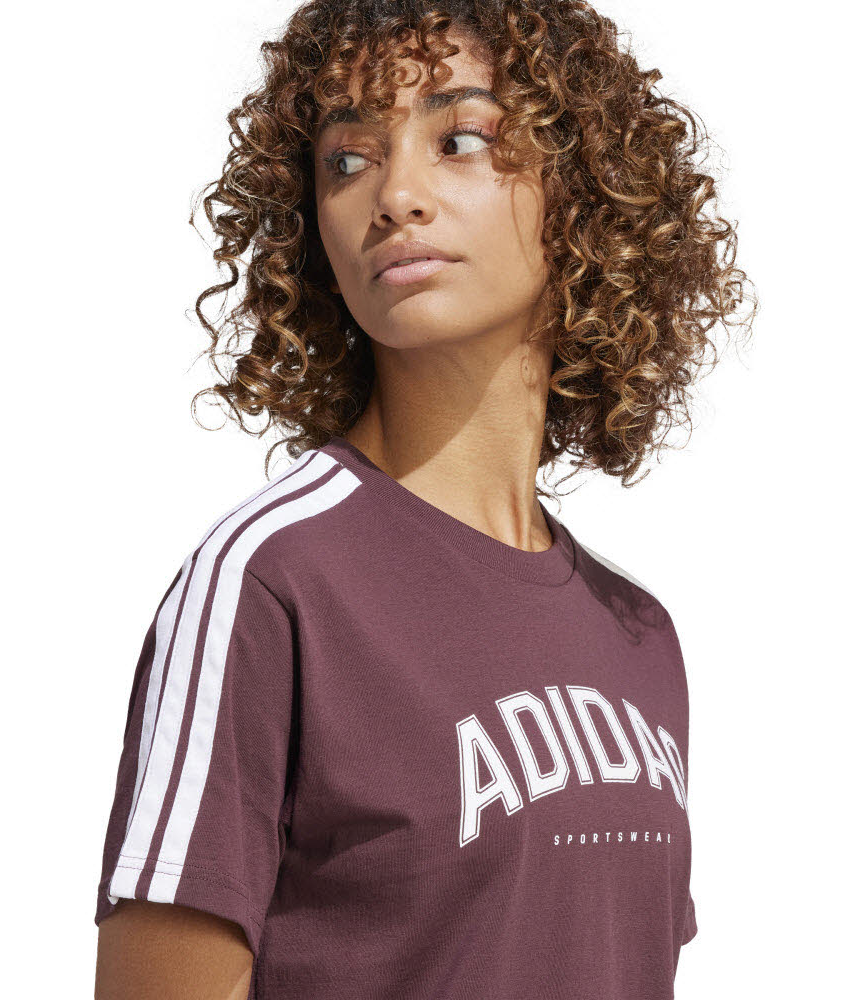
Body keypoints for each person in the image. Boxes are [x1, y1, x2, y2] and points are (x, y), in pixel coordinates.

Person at [93, 1, 754, 997]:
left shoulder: (638, 635)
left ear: (582, 188)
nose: (395, 195)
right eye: (347, 160)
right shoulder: (270, 583)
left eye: (461, 140)